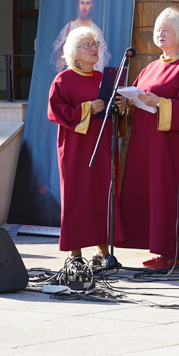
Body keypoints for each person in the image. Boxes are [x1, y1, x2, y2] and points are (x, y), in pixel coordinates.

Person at [119, 7, 179, 270]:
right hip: (145, 141)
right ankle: (155, 247)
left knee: (166, 194)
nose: (160, 33)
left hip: (169, 145)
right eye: (157, 29)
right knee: (147, 193)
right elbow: (139, 94)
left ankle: (171, 252)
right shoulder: (151, 67)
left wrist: (160, 103)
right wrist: (128, 103)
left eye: (166, 29)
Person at [47, 26, 125, 264]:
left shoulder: (104, 79)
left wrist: (121, 108)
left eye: (96, 45)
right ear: (74, 52)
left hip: (101, 147)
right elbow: (55, 111)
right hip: (76, 149)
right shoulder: (63, 79)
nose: (94, 49)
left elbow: (114, 116)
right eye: (88, 45)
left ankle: (102, 251)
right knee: (77, 197)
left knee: (102, 195)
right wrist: (87, 108)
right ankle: (75, 253)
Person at [51, 0, 111, 73]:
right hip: (73, 72)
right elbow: (57, 50)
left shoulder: (96, 29)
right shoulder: (69, 26)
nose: (85, 7)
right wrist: (66, 45)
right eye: (82, 3)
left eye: (88, 3)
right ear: (77, 5)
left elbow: (104, 52)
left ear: (92, 5)